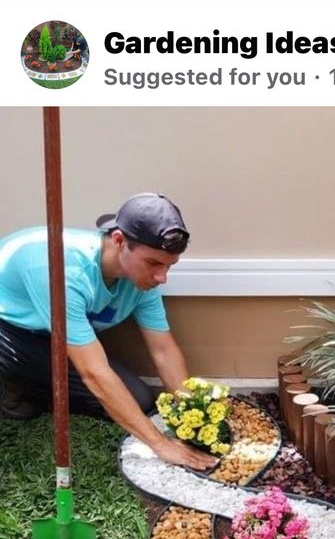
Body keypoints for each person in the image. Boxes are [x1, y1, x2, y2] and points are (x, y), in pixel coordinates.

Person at [0, 192, 215, 471]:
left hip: (49, 337)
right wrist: (160, 444)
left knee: (140, 399)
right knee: (102, 386)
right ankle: (11, 385)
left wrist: (192, 416)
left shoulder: (142, 281)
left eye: (169, 266)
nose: (162, 277)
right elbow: (93, 371)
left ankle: (32, 385)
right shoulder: (62, 271)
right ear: (118, 241)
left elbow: (162, 350)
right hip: (9, 329)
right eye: (153, 263)